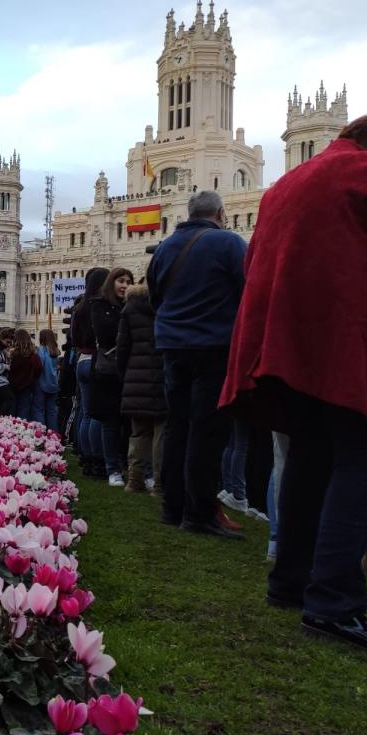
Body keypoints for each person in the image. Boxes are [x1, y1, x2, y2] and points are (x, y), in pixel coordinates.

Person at [221, 113, 367, 656]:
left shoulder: (286, 185)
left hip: (291, 345)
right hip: (345, 342)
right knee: (364, 457)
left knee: (310, 458)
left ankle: (291, 581)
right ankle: (335, 600)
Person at [148, 190, 246, 539]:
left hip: (173, 346)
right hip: (213, 346)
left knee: (177, 425)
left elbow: (155, 294)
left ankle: (172, 507)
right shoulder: (228, 243)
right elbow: (248, 288)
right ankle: (199, 511)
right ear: (220, 212)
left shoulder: (165, 247)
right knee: (207, 430)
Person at [116, 281, 165, 494]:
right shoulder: (165, 303)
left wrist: (126, 375)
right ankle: (160, 483)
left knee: (139, 433)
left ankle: (134, 480)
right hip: (162, 374)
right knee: (162, 431)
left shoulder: (130, 307)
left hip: (136, 376)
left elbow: (122, 348)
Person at [88, 267, 133, 486]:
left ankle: (124, 465)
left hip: (128, 370)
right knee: (110, 421)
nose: (124, 285)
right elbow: (105, 334)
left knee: (127, 422)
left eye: (127, 281)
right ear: (110, 283)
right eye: (120, 281)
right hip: (107, 371)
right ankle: (112, 468)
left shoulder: (130, 307)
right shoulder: (99, 305)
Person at [71, 268, 109, 477]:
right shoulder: (98, 306)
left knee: (86, 413)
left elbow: (74, 339)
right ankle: (97, 460)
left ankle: (86, 457)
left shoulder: (80, 307)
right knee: (96, 414)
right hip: (95, 359)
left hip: (82, 360)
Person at [8, 330, 42, 421]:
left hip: (13, 386)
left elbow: (9, 369)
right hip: (27, 386)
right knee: (24, 412)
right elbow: (38, 368)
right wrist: (32, 379)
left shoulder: (13, 354)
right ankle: (22, 432)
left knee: (12, 411)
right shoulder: (32, 355)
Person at [35, 329, 61, 431]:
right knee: (52, 411)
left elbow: (39, 366)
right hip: (53, 384)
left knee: (39, 410)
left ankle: (40, 433)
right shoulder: (55, 351)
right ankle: (54, 434)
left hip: (42, 383)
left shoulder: (41, 350)